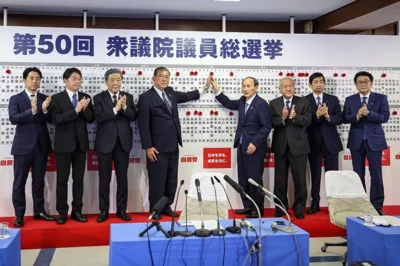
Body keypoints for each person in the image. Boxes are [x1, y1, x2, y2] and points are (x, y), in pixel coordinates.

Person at [138, 67, 209, 218]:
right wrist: (148, 147)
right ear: (154, 78)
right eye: (160, 76)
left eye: (166, 77)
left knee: (171, 179)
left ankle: (166, 206)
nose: (164, 79)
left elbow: (186, 96)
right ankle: (156, 209)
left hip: (173, 144)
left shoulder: (170, 92)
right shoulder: (146, 97)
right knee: (157, 180)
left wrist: (204, 88)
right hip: (156, 148)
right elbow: (143, 124)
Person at [210, 76, 271, 218]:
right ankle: (248, 206)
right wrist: (217, 91)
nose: (245, 89)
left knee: (255, 179)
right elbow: (229, 103)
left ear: (256, 87)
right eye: (243, 86)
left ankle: (257, 209)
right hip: (242, 145)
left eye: (248, 86)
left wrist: (255, 143)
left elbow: (266, 126)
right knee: (243, 178)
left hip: (254, 148)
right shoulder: (243, 101)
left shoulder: (261, 104)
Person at [8, 67, 55, 227]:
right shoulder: (16, 98)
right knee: (19, 181)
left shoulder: (44, 98)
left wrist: (45, 109)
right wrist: (32, 110)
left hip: (41, 146)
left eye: (37, 78)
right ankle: (19, 214)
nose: (35, 81)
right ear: (25, 80)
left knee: (39, 181)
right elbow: (13, 118)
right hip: (22, 147)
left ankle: (39, 211)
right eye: (31, 78)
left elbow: (50, 120)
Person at [50, 67, 94, 224]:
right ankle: (62, 212)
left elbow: (90, 119)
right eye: (74, 78)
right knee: (62, 180)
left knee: (79, 180)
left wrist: (84, 109)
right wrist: (75, 110)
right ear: (65, 81)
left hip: (81, 146)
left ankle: (77, 210)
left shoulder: (85, 97)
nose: (78, 81)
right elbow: (55, 120)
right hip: (63, 146)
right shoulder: (56, 98)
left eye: (79, 78)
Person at [94, 69, 137, 222]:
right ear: (106, 82)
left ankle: (121, 210)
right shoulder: (98, 98)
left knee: (122, 178)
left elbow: (133, 117)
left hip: (123, 144)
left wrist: (125, 108)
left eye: (118, 79)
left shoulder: (128, 97)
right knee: (104, 178)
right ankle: (103, 211)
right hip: (105, 144)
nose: (115, 83)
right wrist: (115, 109)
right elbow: (98, 117)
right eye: (112, 80)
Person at [343, 71, 389, 215]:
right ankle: (360, 204)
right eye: (359, 82)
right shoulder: (350, 99)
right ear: (355, 84)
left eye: (366, 81)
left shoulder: (381, 98)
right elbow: (345, 118)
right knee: (358, 175)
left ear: (371, 83)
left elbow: (385, 117)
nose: (363, 84)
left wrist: (369, 113)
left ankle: (377, 205)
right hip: (356, 141)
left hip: (374, 140)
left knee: (376, 174)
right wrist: (357, 115)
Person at [269, 77, 312, 219]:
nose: (288, 88)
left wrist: (295, 117)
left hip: (299, 146)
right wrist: (282, 118)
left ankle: (299, 208)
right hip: (280, 146)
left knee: (300, 179)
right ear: (280, 89)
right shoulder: (274, 103)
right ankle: (280, 207)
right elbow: (271, 123)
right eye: (285, 86)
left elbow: (309, 121)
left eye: (290, 86)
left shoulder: (303, 101)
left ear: (294, 87)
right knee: (280, 180)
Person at [305, 72, 343, 214]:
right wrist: (316, 116)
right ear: (310, 85)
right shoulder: (305, 100)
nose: (319, 84)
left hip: (331, 142)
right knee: (314, 174)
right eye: (316, 82)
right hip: (312, 141)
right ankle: (315, 204)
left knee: (332, 174)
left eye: (321, 81)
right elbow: (305, 121)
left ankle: (335, 205)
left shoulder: (332, 99)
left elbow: (340, 119)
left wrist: (327, 116)